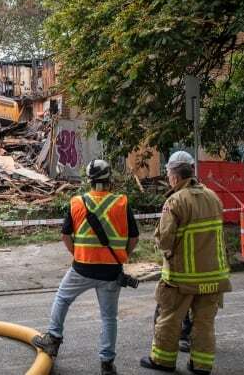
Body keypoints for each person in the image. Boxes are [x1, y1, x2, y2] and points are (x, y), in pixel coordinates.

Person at [32, 160, 139, 375]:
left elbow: (65, 236)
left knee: (62, 298)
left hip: (82, 269)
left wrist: (79, 254)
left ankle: (53, 339)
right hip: (111, 272)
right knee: (109, 318)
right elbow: (134, 238)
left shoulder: (77, 202)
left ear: (89, 180)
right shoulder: (121, 203)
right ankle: (107, 364)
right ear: (109, 179)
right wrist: (121, 256)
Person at [140, 151, 231, 374]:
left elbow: (165, 240)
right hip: (214, 276)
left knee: (169, 318)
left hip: (183, 277)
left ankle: (162, 361)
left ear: (174, 176)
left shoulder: (176, 201)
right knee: (204, 323)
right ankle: (201, 365)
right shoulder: (213, 197)